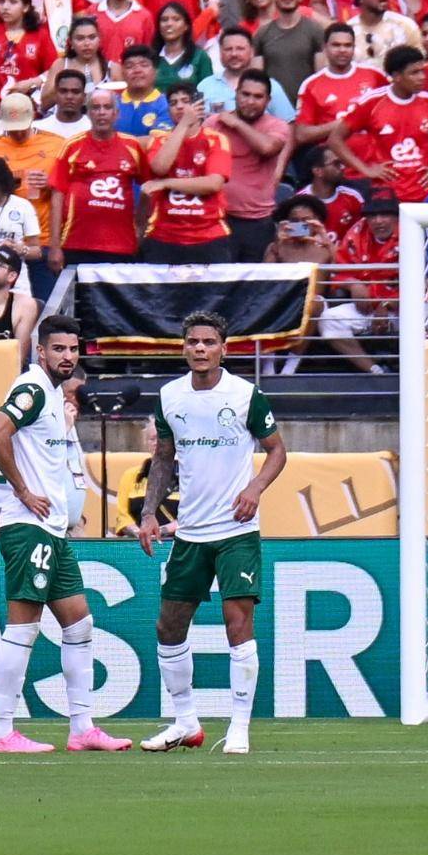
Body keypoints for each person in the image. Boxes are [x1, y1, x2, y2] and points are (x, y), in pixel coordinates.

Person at [0, 314, 129, 752]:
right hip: (29, 527)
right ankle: (0, 730)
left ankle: (82, 728)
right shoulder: (34, 388)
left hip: (52, 529)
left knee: (79, 621)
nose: (67, 356)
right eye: (58, 348)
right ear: (40, 351)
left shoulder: (54, 394)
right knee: (23, 626)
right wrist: (24, 491)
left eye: (73, 349)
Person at [139, 309, 286, 754]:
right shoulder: (170, 396)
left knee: (237, 624)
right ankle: (186, 722)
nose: (200, 348)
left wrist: (255, 488)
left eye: (208, 342)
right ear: (183, 347)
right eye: (192, 341)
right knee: (169, 626)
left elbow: (277, 452)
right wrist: (149, 513)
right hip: (190, 532)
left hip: (236, 530)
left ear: (224, 348)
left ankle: (239, 726)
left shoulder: (245, 395)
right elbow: (163, 458)